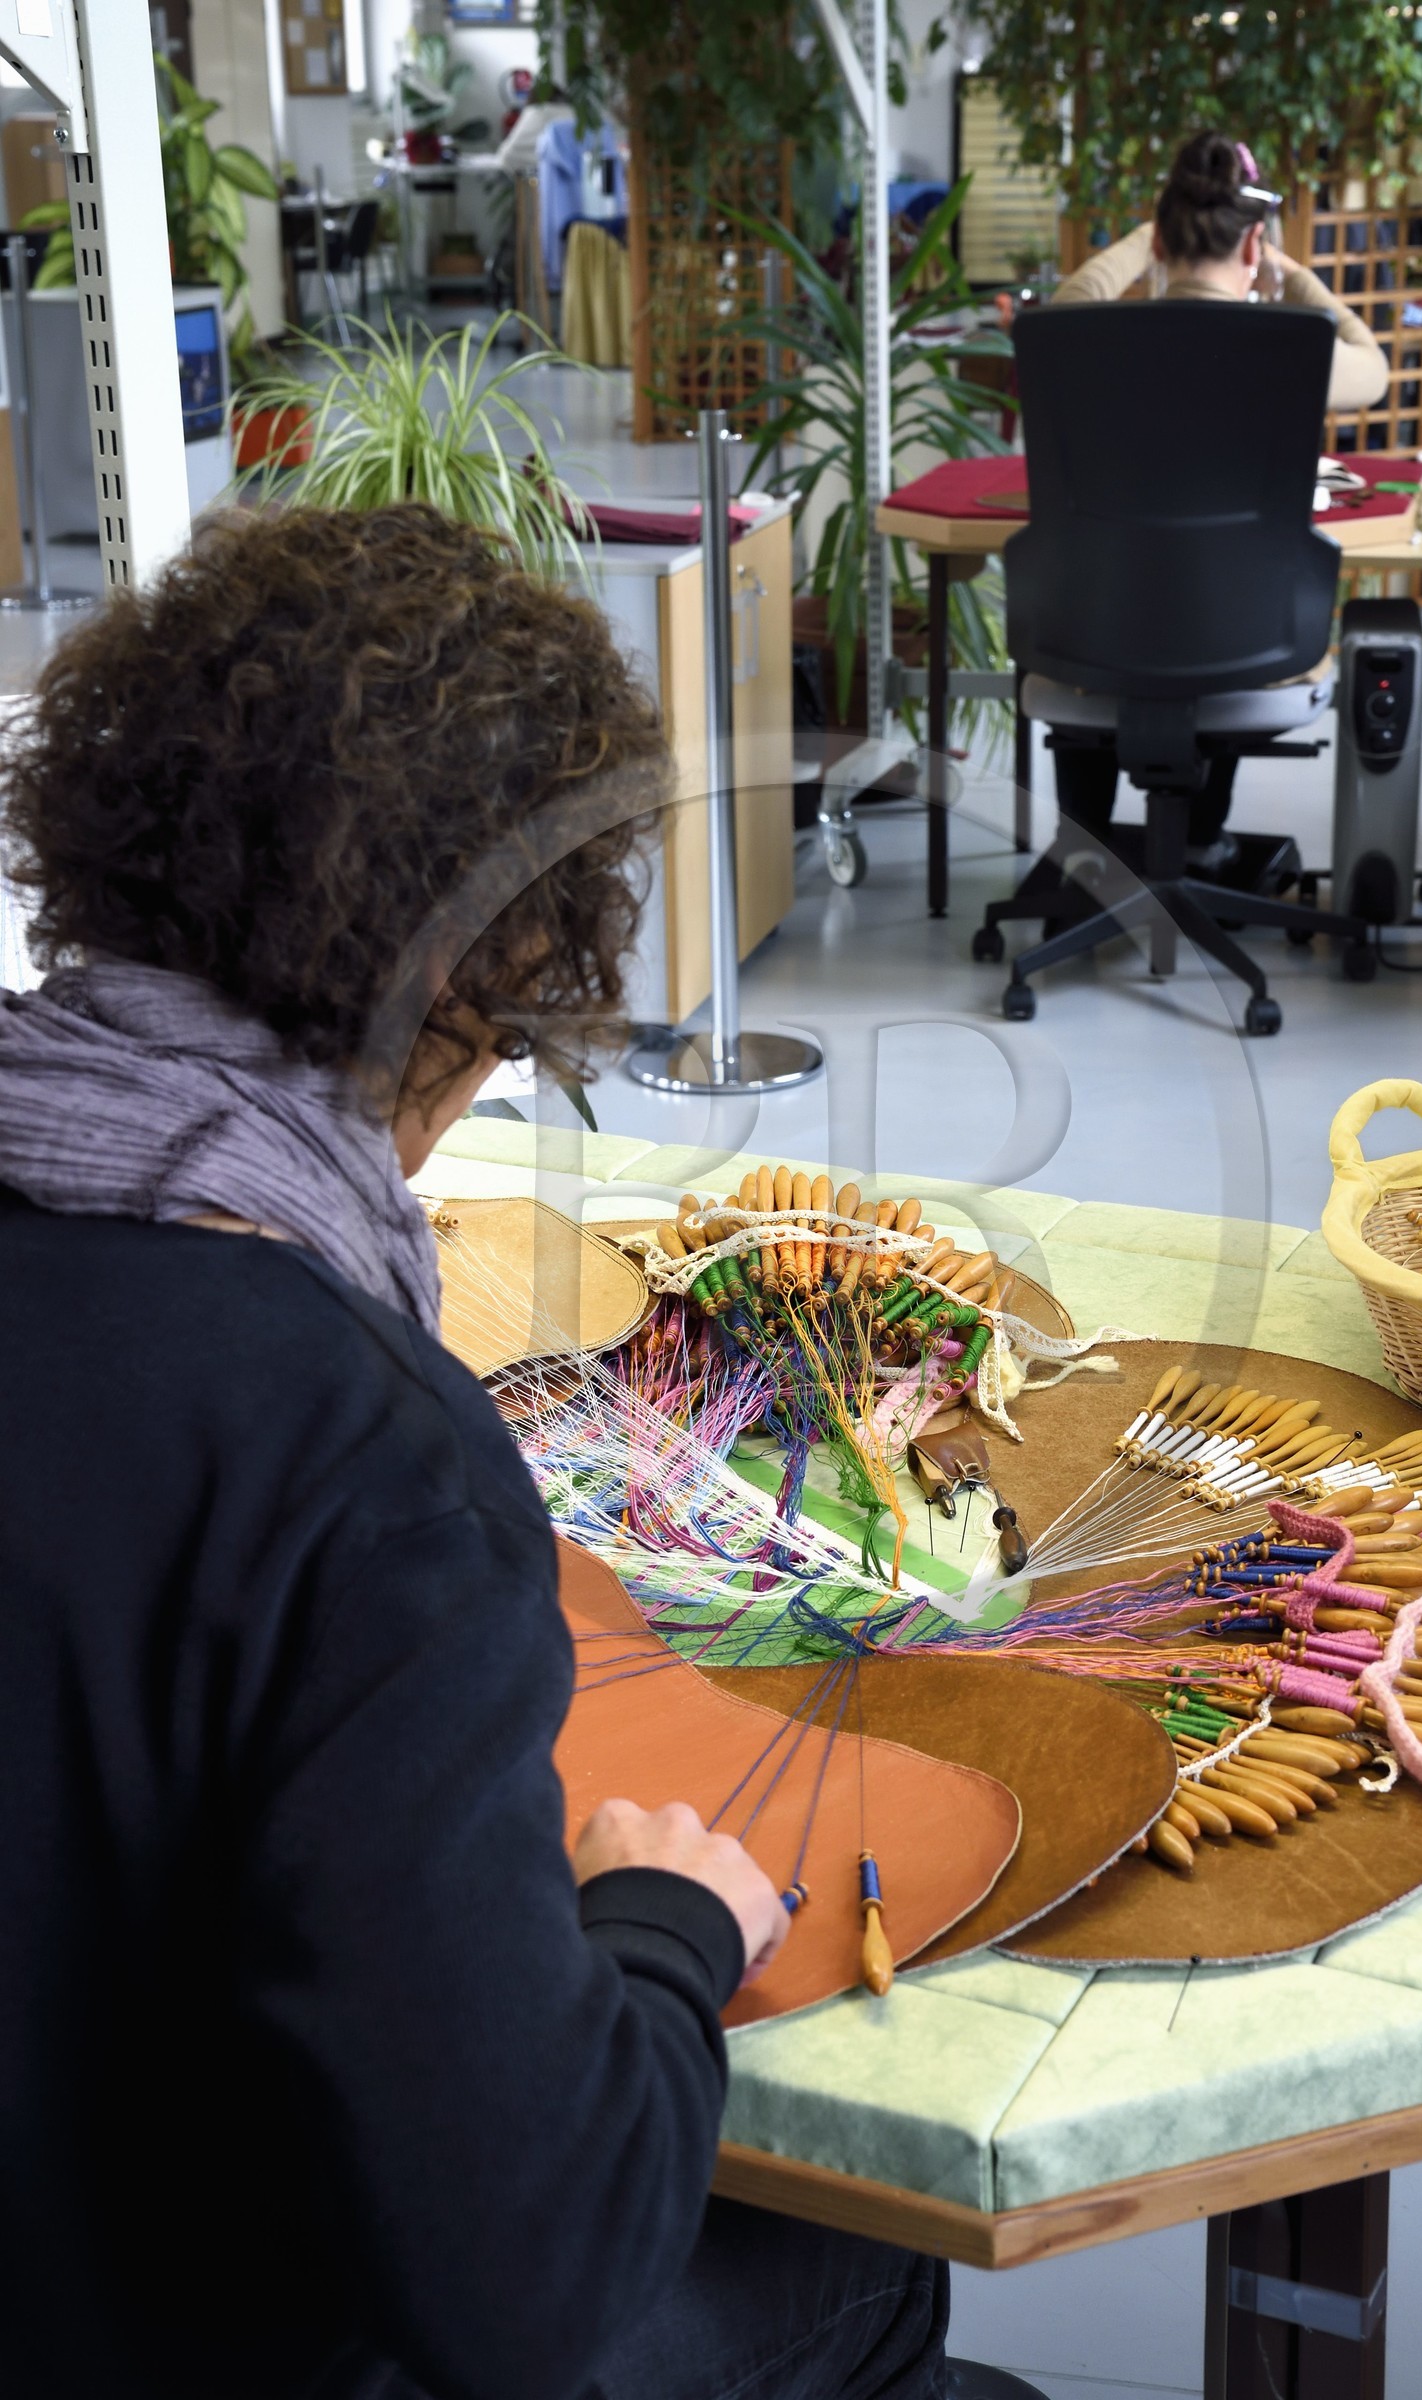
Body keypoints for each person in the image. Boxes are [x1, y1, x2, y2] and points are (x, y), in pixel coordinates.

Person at [0, 503, 948, 2399]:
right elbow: (533, 2279)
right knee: (862, 2278)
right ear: (496, 959)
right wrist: (667, 1925)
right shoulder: (363, 1461)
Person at [1046, 129, 1388, 863]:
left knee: (1099, 610)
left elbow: (1061, 308)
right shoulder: (1292, 352)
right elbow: (1374, 366)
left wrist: (1146, 237)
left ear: (1161, 244)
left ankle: (1084, 850)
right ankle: (1201, 842)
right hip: (1245, 641)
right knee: (1224, 603)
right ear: (1252, 245)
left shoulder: (1088, 344)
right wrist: (1291, 273)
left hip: (1092, 635)